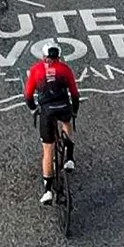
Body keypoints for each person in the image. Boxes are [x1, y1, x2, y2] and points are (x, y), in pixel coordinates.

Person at [23, 39, 80, 204]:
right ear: (59, 56)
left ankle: (47, 190)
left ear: (43, 56)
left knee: (48, 150)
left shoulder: (36, 70)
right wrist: (74, 111)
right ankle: (69, 158)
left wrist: (34, 109)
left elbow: (28, 96)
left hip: (47, 112)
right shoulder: (65, 69)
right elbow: (75, 95)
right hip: (63, 107)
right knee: (66, 123)